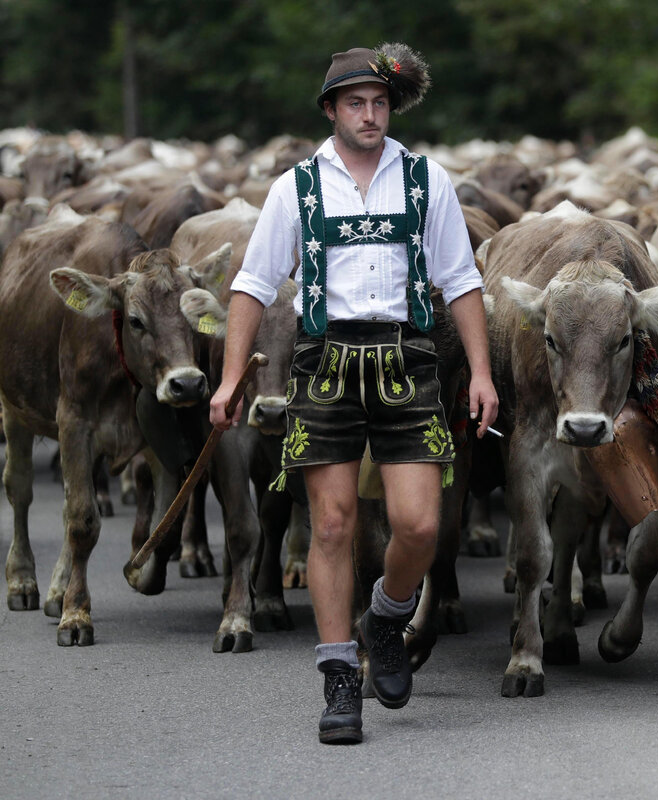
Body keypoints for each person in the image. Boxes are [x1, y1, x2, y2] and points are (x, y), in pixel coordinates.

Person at [209, 43, 498, 744]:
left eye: (379, 103)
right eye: (355, 104)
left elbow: (461, 281)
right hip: (325, 361)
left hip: (407, 358)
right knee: (331, 526)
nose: (369, 115)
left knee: (420, 526)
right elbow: (252, 283)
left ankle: (388, 615)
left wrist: (483, 373)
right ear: (332, 110)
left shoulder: (427, 182)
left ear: (390, 108)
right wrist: (229, 376)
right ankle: (341, 679)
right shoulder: (297, 187)